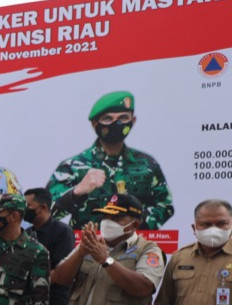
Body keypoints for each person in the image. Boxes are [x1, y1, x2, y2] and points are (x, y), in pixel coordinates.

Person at [47, 91, 173, 230]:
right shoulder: (73, 167)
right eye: (107, 118)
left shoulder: (147, 164)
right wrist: (77, 192)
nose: (116, 124)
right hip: (87, 247)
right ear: (95, 124)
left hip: (134, 247)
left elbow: (165, 205)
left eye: (123, 118)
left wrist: (137, 226)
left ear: (133, 121)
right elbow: (45, 213)